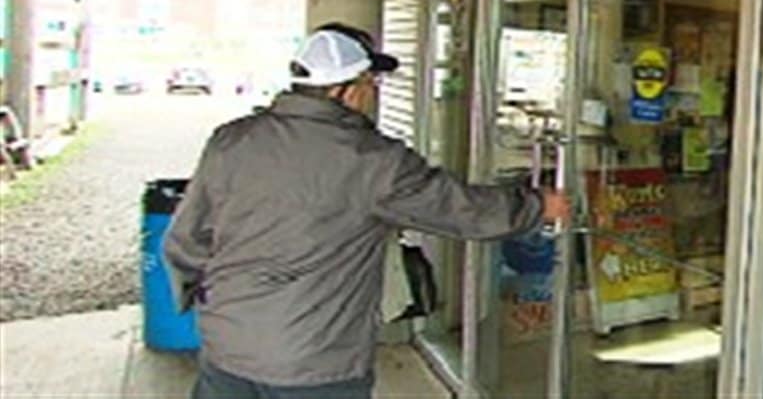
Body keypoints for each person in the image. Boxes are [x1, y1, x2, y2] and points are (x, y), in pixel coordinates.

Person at [165, 23, 569, 398]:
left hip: (227, 347)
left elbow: (185, 240)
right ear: (346, 89)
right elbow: (460, 210)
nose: (373, 92)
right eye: (370, 82)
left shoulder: (231, 141)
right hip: (317, 362)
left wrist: (211, 309)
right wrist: (537, 206)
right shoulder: (373, 160)